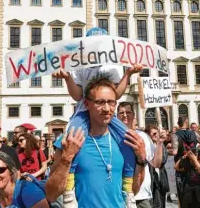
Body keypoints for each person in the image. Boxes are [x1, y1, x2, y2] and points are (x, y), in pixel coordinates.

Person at [51, 27, 143, 206]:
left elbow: (115, 94)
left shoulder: (113, 63)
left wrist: (128, 74)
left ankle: (128, 191)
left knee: (130, 141)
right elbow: (78, 96)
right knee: (72, 140)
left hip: (107, 112)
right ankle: (69, 192)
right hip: (84, 110)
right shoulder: (78, 62)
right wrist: (67, 78)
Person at [46, 77, 147, 208]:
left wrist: (141, 160)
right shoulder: (70, 140)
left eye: (111, 102)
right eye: (100, 102)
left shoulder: (124, 142)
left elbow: (133, 191)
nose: (106, 108)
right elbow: (51, 194)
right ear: (87, 104)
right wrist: (66, 159)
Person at [118, 103, 163, 208]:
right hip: (120, 195)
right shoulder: (112, 136)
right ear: (117, 116)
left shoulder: (143, 136)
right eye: (121, 113)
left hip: (141, 196)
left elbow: (156, 163)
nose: (125, 115)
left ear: (134, 115)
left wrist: (160, 144)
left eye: (128, 112)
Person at [171, 116, 198, 205]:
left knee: (182, 193)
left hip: (181, 165)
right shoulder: (194, 133)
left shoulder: (175, 135)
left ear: (178, 123)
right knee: (194, 192)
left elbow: (174, 152)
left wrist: (167, 150)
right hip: (193, 164)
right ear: (186, 122)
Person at [145, 125, 169, 208]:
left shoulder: (161, 145)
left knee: (162, 203)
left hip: (161, 180)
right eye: (154, 133)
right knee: (156, 204)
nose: (156, 135)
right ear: (148, 135)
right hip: (152, 180)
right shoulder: (147, 147)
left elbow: (163, 160)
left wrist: (160, 143)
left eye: (157, 133)